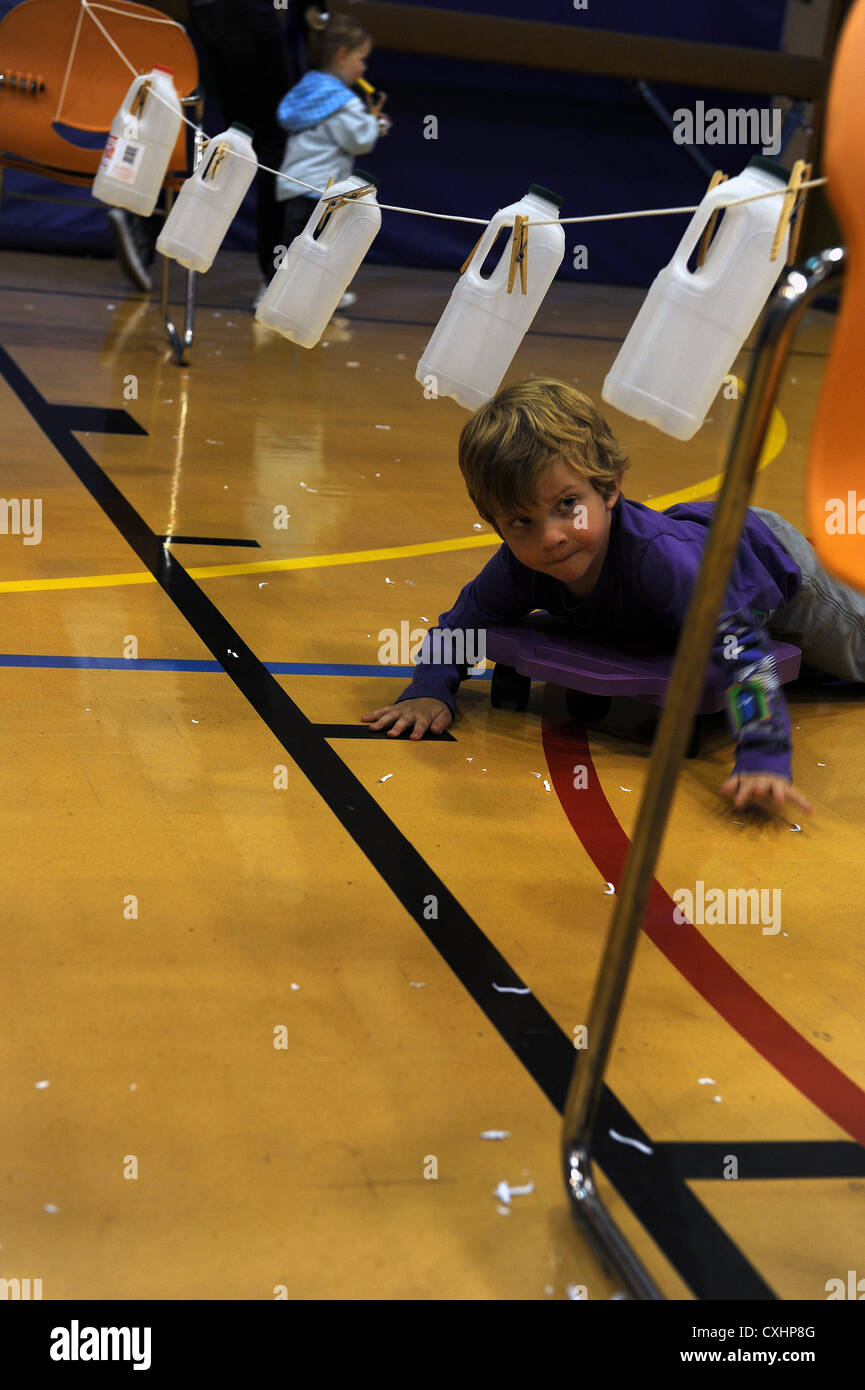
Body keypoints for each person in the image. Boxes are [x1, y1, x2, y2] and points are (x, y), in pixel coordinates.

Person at [361, 377, 865, 814]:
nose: (551, 536)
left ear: (609, 487)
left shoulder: (662, 564)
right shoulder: (520, 566)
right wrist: (429, 687)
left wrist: (762, 756)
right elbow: (462, 625)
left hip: (776, 566)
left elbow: (747, 656)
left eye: (567, 505)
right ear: (494, 524)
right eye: (521, 521)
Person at [271, 7, 391, 307]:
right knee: (319, 246)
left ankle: (279, 294)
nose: (363, 67)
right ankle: (310, 298)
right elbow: (359, 140)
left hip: (292, 186)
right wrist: (374, 123)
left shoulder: (308, 88)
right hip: (319, 190)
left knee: (293, 245)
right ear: (341, 55)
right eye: (360, 58)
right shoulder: (343, 101)